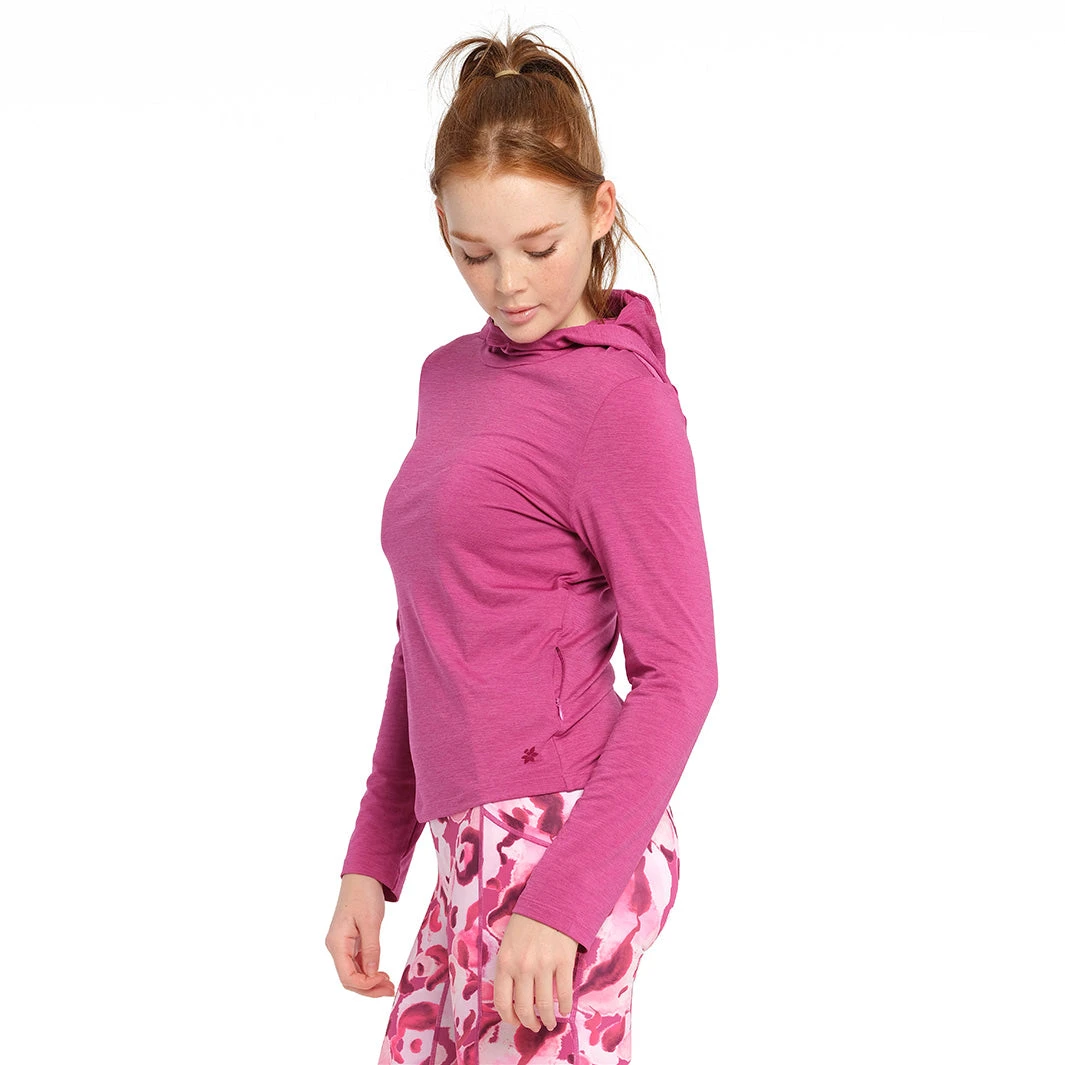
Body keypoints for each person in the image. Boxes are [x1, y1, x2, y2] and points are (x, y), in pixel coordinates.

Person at [324, 25, 718, 1064]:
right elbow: (427, 635)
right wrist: (373, 855)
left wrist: (566, 897)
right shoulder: (447, 379)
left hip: (564, 837)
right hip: (463, 846)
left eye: (538, 247)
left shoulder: (620, 401)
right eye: (475, 252)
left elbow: (681, 671)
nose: (508, 284)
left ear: (601, 210)